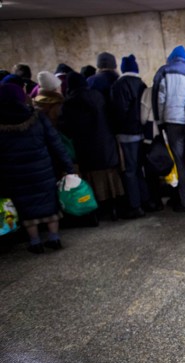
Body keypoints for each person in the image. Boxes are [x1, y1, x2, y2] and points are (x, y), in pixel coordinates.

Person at [0, 83, 74, 253]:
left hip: (14, 173)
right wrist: (68, 166)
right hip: (42, 169)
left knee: (26, 207)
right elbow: (55, 142)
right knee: (48, 202)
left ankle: (35, 242)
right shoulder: (36, 116)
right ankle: (54, 238)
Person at [59, 72, 125, 221]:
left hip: (86, 148)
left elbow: (66, 128)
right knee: (110, 177)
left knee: (93, 179)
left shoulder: (69, 103)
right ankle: (115, 208)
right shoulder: (99, 96)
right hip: (106, 144)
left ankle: (98, 210)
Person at [152, 45, 185, 212]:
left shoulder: (165, 71)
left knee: (180, 162)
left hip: (173, 121)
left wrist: (159, 122)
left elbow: (158, 98)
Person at [110, 54, 150, 219]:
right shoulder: (141, 84)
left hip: (127, 134)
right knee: (140, 170)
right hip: (142, 133)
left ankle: (135, 205)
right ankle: (146, 200)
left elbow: (119, 111)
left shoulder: (119, 85)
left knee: (130, 171)